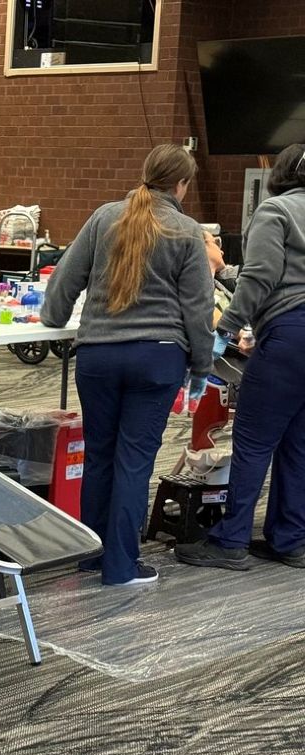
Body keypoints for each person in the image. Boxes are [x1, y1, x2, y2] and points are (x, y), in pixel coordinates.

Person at [40, 143, 213, 587]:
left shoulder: (104, 217)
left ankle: (91, 556)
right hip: (157, 358)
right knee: (134, 461)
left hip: (97, 355)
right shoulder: (187, 230)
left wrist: (52, 318)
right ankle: (121, 567)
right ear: (181, 185)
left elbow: (65, 277)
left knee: (99, 456)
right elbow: (198, 308)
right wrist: (201, 366)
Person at [175, 142, 305, 570]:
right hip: (293, 335)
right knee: (298, 444)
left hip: (290, 334)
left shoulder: (276, 211)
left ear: (280, 173)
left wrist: (228, 327)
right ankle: (290, 539)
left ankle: (231, 540)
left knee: (253, 440)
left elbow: (260, 276)